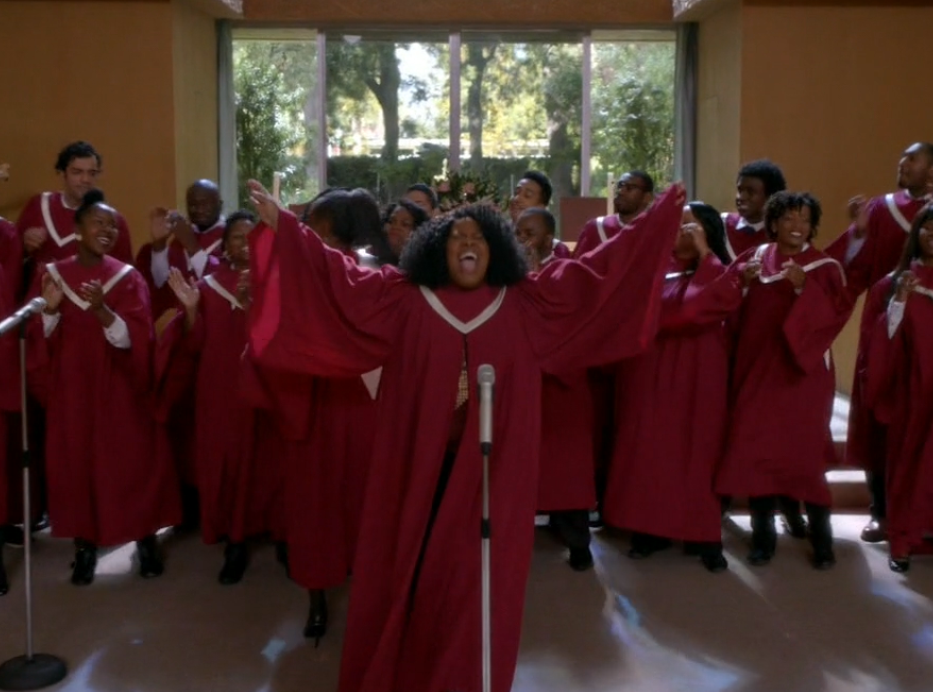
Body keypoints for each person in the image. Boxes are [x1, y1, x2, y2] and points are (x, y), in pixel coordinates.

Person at [245, 176, 683, 692]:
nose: (468, 244)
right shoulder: (404, 299)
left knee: (476, 579)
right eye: (456, 237)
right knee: (411, 567)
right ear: (436, 248)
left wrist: (656, 222)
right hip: (418, 470)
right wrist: (288, 230)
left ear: (496, 249)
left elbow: (598, 277)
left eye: (478, 237)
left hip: (491, 474)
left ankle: (466, 674)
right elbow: (338, 281)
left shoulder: (526, 304)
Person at [247, 187, 384, 645]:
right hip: (311, 402)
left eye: (314, 226)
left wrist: (286, 227)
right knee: (314, 508)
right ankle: (318, 599)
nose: (307, 232)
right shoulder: (304, 268)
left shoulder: (367, 272)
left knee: (361, 505)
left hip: (359, 403)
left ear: (336, 232)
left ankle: (367, 595)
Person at [27, 190, 180, 585]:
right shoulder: (52, 276)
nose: (108, 230)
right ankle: (84, 547)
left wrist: (102, 310)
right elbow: (38, 339)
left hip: (120, 387)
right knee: (76, 466)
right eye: (98, 223)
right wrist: (48, 310)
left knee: (132, 462)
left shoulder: (126, 278)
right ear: (77, 230)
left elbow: (138, 339)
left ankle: (145, 539)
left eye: (113, 225)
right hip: (73, 389)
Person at [712, 192, 851, 570]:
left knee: (805, 458)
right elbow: (727, 305)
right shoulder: (755, 259)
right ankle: (763, 538)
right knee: (757, 453)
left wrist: (805, 289)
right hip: (756, 373)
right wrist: (742, 285)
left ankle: (822, 541)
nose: (797, 226)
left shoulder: (824, 267)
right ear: (773, 222)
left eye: (805, 220)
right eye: (789, 218)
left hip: (801, 378)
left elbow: (835, 316)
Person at [157, 211, 286, 585]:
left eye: (251, 237)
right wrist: (191, 310)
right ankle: (235, 540)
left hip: (266, 385)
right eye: (236, 237)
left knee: (267, 460)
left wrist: (253, 306)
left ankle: (278, 531)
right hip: (219, 389)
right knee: (226, 461)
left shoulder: (276, 281)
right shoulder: (207, 286)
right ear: (224, 245)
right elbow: (194, 345)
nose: (244, 244)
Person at [603, 202, 732, 573]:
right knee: (652, 450)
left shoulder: (719, 269)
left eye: (690, 225)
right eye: (677, 224)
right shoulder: (654, 268)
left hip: (700, 373)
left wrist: (705, 255)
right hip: (652, 371)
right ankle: (650, 531)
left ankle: (703, 535)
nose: (681, 230)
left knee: (698, 452)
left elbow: (696, 310)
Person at [825, 142, 933, 544]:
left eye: (913, 159)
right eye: (901, 157)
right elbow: (851, 271)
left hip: (929, 331)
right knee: (878, 415)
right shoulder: (880, 210)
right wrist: (858, 234)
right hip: (885, 326)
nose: (902, 163)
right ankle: (880, 512)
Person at [516, 208, 595, 571]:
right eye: (518, 233)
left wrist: (533, 278)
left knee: (567, 469)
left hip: (563, 384)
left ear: (549, 239)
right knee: (521, 465)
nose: (522, 241)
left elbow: (569, 321)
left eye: (529, 234)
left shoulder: (567, 270)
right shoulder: (508, 275)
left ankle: (578, 543)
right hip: (524, 382)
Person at [863, 205, 933, 572]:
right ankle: (902, 540)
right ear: (917, 232)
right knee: (907, 465)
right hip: (912, 390)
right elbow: (883, 339)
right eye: (928, 227)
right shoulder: (897, 282)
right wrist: (901, 300)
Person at [16, 142, 133, 278]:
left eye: (92, 173)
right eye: (77, 172)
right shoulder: (39, 206)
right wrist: (25, 246)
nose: (85, 179)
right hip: (40, 289)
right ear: (62, 173)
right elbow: (10, 258)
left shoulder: (111, 223)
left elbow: (124, 277)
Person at [137, 180, 227, 319]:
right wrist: (159, 244)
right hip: (182, 320)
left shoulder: (230, 236)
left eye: (205, 204)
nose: (199, 209)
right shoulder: (180, 236)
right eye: (193, 205)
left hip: (213, 318)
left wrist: (191, 245)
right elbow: (164, 284)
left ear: (220, 204)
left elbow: (222, 282)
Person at [573, 170, 654, 257]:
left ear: (647, 197)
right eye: (620, 186)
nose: (621, 191)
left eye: (630, 188)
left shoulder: (656, 233)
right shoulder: (596, 228)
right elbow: (576, 264)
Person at [721, 159, 787, 261]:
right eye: (740, 190)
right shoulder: (722, 225)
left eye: (750, 192)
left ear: (770, 197)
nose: (741, 197)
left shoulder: (781, 234)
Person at [509, 170, 571, 258]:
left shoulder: (557, 251)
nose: (517, 198)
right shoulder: (496, 239)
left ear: (541, 207)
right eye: (516, 192)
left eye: (527, 195)